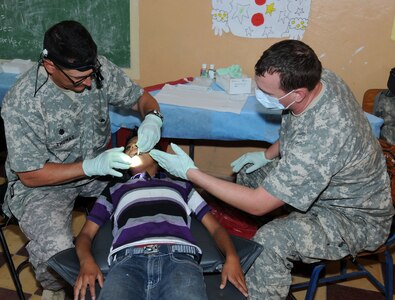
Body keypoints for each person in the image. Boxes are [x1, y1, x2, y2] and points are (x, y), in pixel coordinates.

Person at [149, 40, 395, 299]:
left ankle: (263, 282)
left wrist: (191, 172)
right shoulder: (322, 79)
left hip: (353, 216)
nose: (260, 96)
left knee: (272, 241)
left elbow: (258, 204)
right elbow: (298, 126)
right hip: (328, 181)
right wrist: (267, 154)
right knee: (247, 173)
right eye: (259, 87)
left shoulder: (324, 135)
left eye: (268, 93)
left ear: (298, 93)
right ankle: (246, 251)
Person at [1, 20, 163, 299]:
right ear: (51, 66)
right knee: (57, 251)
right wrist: (89, 166)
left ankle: (137, 268)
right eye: (79, 79)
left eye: (92, 75)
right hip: (43, 187)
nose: (89, 83)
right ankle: (56, 286)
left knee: (149, 189)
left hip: (100, 172)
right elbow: (30, 174)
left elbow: (140, 99)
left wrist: (152, 118)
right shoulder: (23, 101)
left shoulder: (95, 68)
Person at [73, 131, 248, 300]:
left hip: (179, 259)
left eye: (141, 145)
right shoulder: (115, 190)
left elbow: (215, 228)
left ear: (157, 154)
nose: (134, 149)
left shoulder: (181, 185)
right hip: (127, 261)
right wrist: (86, 262)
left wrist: (232, 257)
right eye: (129, 147)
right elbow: (85, 234)